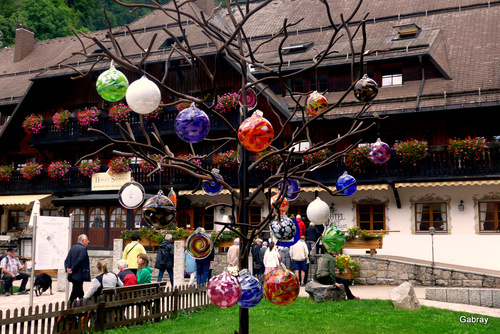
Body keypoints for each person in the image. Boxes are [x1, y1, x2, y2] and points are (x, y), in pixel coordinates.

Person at [64, 234, 91, 304]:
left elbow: (66, 260)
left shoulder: (73, 248)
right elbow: (80, 260)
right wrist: (72, 269)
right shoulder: (83, 249)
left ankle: (83, 305)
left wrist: (67, 268)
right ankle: (70, 306)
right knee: (75, 291)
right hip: (79, 274)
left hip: (73, 275)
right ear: (83, 241)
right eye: (87, 240)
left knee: (79, 291)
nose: (88, 241)